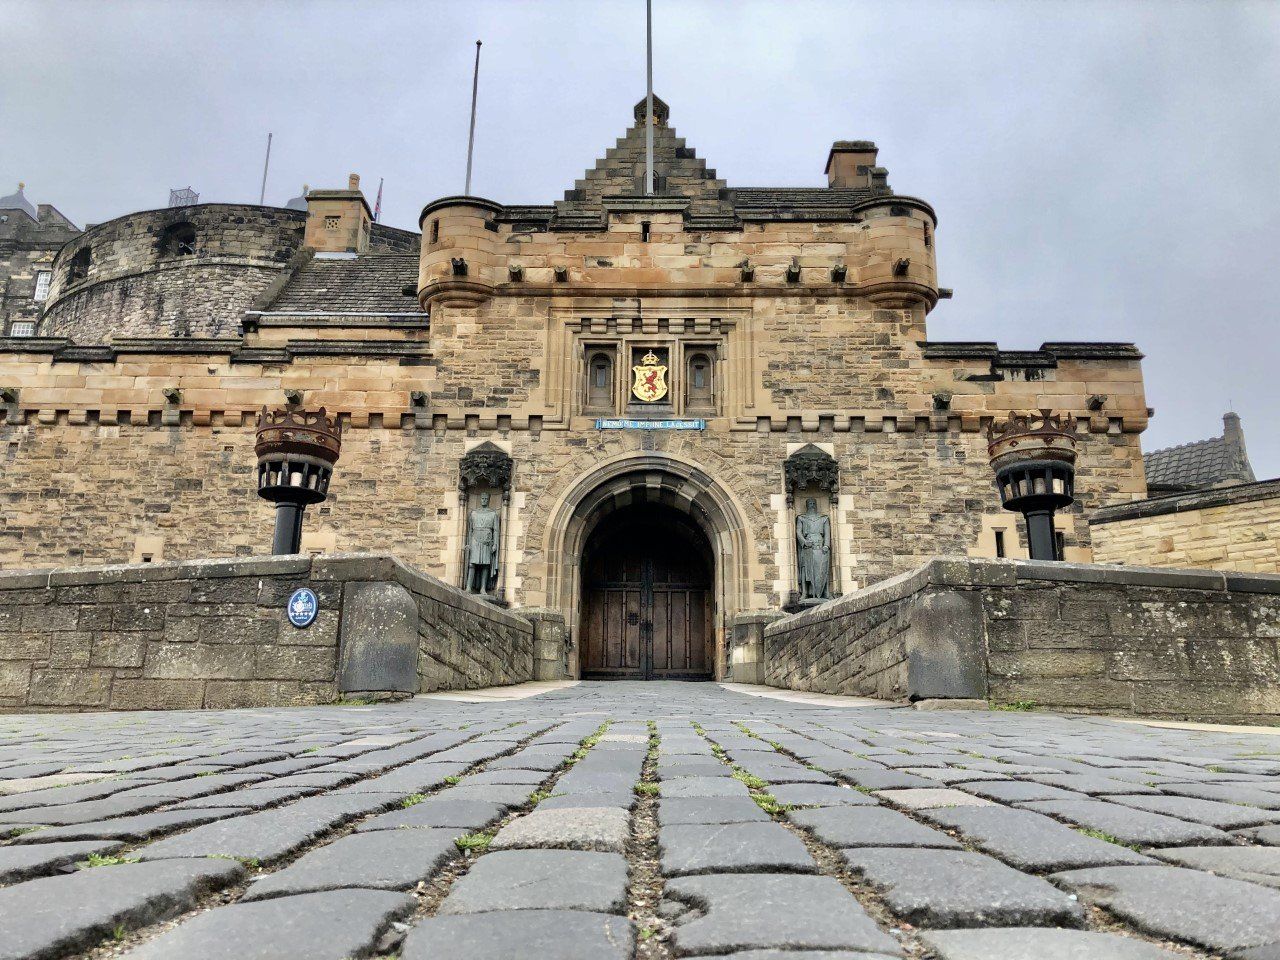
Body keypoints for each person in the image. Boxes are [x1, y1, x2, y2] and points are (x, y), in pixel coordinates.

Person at [795, 497, 831, 601]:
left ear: (816, 504)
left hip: (820, 547)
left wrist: (826, 545)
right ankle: (805, 593)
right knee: (805, 568)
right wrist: (804, 542)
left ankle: (825, 592)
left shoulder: (823, 518)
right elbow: (798, 531)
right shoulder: (801, 518)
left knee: (822, 568)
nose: (811, 504)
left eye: (813, 503)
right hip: (807, 546)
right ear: (806, 505)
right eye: (809, 503)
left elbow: (827, 534)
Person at [464, 492, 500, 594]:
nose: (484, 500)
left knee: (485, 565)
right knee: (472, 564)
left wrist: (495, 544)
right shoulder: (474, 513)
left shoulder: (493, 514)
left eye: (486, 499)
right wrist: (468, 543)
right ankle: (468, 587)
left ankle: (483, 588)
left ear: (488, 500)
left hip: (487, 541)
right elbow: (470, 530)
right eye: (482, 498)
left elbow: (496, 530)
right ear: (480, 499)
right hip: (475, 540)